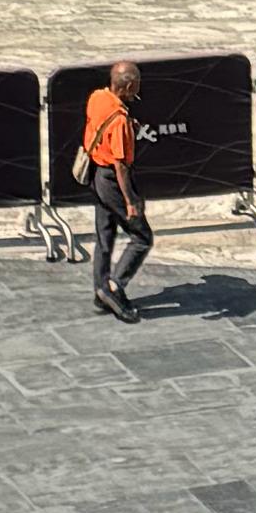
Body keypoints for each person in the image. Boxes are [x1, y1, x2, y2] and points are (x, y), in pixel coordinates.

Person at [78, 55, 152, 319]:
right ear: (129, 86)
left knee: (105, 235)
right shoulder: (119, 120)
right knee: (142, 237)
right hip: (112, 181)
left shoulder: (98, 97)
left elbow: (99, 125)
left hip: (97, 176)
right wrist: (131, 201)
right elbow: (120, 166)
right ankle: (113, 287)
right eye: (137, 83)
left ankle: (100, 289)